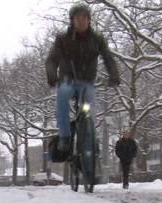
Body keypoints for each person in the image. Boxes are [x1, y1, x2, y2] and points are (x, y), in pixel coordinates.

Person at [45, 3, 120, 152]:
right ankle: (65, 137)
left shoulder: (97, 39)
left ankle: (91, 141)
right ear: (72, 20)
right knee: (62, 94)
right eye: (78, 17)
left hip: (87, 83)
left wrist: (114, 75)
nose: (82, 20)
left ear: (89, 20)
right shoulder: (63, 39)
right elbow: (52, 60)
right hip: (68, 82)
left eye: (85, 17)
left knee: (90, 108)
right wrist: (52, 76)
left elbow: (108, 58)